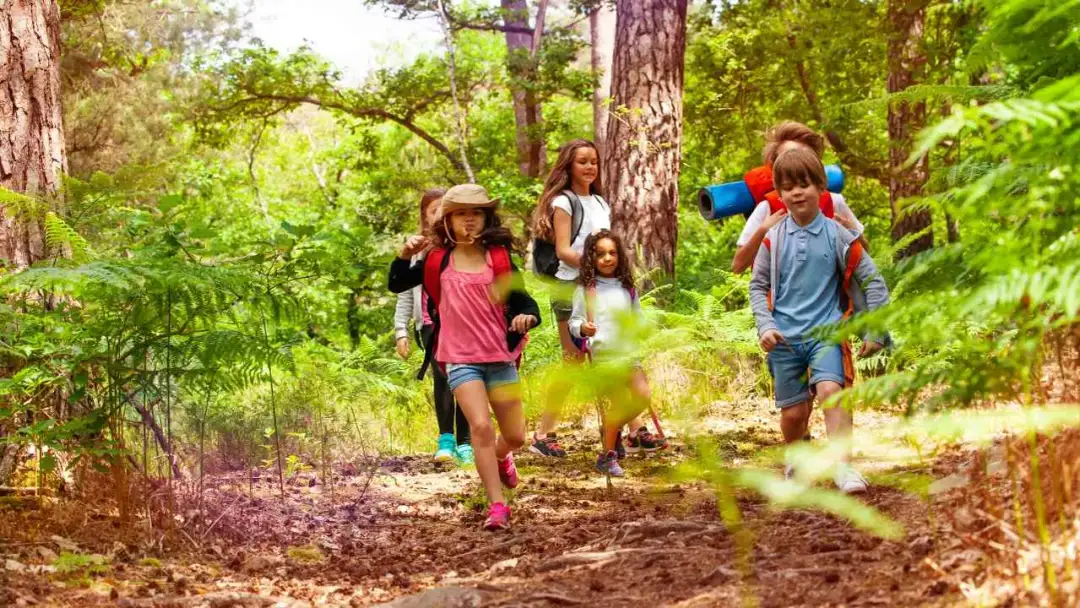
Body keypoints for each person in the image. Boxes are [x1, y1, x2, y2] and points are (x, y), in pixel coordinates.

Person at [388, 184, 540, 530]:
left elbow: (524, 302)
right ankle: (497, 506)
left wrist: (526, 317)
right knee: (481, 428)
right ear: (448, 220)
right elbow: (397, 284)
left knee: (515, 436)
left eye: (476, 213)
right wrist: (402, 253)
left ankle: (503, 457)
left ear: (486, 218)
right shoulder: (436, 260)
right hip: (459, 358)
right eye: (461, 214)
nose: (469, 220)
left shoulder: (498, 258)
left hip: (499, 357)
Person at [748, 148, 889, 494]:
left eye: (805, 184)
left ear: (821, 188)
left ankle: (845, 468)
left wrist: (875, 329)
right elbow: (758, 285)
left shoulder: (839, 235)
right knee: (794, 414)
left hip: (827, 333)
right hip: (785, 339)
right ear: (779, 194)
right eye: (789, 187)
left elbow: (873, 282)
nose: (797, 192)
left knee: (831, 392)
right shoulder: (773, 238)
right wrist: (765, 325)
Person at [529, 139, 664, 457]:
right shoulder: (564, 202)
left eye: (594, 161)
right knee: (573, 360)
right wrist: (593, 267)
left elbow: (605, 243)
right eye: (582, 162)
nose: (589, 167)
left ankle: (634, 430)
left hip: (601, 288)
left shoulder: (601, 203)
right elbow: (563, 249)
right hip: (570, 286)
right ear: (568, 166)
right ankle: (543, 433)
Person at [392, 189, 472, 464]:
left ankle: (466, 442)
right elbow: (403, 290)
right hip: (429, 322)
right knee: (443, 376)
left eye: (444, 209)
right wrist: (401, 329)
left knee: (466, 377)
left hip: (464, 322)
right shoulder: (418, 248)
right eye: (433, 209)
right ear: (425, 215)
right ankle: (446, 440)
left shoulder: (463, 244)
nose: (439, 214)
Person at [568, 230, 654, 477]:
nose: (608, 258)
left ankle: (612, 430)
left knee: (643, 396)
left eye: (613, 253)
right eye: (601, 254)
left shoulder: (627, 288)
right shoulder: (586, 290)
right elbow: (574, 322)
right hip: (604, 357)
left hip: (630, 355)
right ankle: (607, 456)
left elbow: (637, 317)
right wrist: (583, 328)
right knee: (616, 405)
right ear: (591, 258)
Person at [731, 121, 869, 274]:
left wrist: (852, 233)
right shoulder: (767, 208)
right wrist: (763, 231)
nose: (795, 163)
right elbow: (738, 266)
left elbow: (864, 254)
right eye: (787, 157)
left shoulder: (834, 202)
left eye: (804, 155)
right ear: (775, 167)